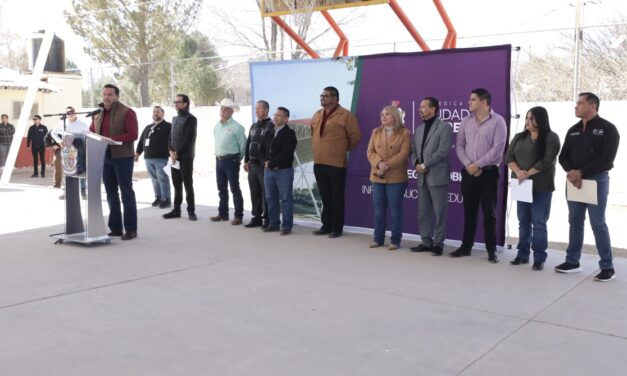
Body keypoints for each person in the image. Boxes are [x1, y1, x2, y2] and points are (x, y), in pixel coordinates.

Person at [556, 92, 620, 282]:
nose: (576, 106)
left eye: (580, 103)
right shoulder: (573, 129)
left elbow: (607, 159)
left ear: (592, 106)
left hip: (596, 181)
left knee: (597, 223)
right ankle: (572, 261)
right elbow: (562, 157)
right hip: (574, 181)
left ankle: (607, 266)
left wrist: (581, 172)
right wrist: (572, 172)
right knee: (575, 221)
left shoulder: (608, 129)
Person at [453, 88, 507, 263]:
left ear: (484, 102)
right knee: (469, 211)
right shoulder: (465, 121)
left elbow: (498, 149)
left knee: (489, 213)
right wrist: (469, 165)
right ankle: (466, 247)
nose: (469, 102)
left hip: (489, 174)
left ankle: (491, 250)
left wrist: (478, 164)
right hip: (468, 173)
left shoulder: (498, 121)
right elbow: (459, 145)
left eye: (473, 100)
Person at [505, 107, 561, 271]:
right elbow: (508, 157)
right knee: (523, 222)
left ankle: (539, 258)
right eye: (527, 118)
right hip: (521, 185)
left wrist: (527, 173)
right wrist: (518, 172)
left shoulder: (551, 137)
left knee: (539, 223)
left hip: (541, 187)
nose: (527, 121)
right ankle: (522, 255)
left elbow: (547, 160)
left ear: (541, 119)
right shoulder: (519, 137)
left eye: (532, 118)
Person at [310, 86, 361, 238]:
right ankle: (325, 225)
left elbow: (355, 137)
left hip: (337, 163)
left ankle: (336, 228)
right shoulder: (317, 114)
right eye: (322, 95)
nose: (322, 98)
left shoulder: (346, 115)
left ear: (335, 98)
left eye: (325, 96)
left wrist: (341, 149)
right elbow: (313, 133)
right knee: (325, 196)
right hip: (319, 162)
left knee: (336, 197)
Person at [89, 84, 139, 240]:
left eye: (110, 94)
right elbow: (91, 131)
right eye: (104, 94)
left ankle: (131, 229)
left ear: (117, 96)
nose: (106, 97)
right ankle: (116, 228)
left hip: (122, 157)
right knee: (111, 194)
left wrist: (112, 140)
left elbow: (133, 134)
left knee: (126, 193)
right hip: (104, 156)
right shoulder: (97, 113)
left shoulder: (127, 112)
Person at [409, 97, 452, 256]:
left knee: (440, 212)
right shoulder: (419, 129)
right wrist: (415, 164)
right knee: (423, 212)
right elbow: (413, 150)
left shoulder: (444, 127)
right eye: (419, 106)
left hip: (437, 176)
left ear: (433, 109)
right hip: (422, 177)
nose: (419, 109)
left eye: (423, 107)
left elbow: (442, 152)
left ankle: (438, 243)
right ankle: (426, 242)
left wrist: (425, 165)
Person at [366, 105, 411, 250]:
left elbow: (404, 154)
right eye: (381, 115)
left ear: (395, 117)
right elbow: (370, 152)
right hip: (377, 175)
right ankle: (378, 238)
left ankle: (395, 240)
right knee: (379, 209)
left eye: (387, 114)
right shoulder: (376, 132)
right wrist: (379, 163)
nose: (383, 117)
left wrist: (387, 165)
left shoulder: (405, 133)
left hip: (396, 177)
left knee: (395, 209)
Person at [260, 107, 298, 235]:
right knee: (270, 198)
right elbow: (261, 150)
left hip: (283, 171)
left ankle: (286, 226)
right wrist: (266, 162)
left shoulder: (290, 134)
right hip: (268, 171)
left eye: (279, 116)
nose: (275, 117)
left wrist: (271, 163)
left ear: (286, 119)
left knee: (286, 198)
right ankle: (274, 224)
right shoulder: (269, 132)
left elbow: (286, 154)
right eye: (275, 115)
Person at [210, 98, 247, 225]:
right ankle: (223, 213)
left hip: (231, 160)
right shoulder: (217, 126)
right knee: (221, 189)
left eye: (226, 109)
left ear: (232, 111)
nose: (223, 111)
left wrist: (238, 160)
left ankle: (238, 215)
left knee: (234, 188)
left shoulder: (237, 127)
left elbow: (243, 146)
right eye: (221, 109)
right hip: (219, 160)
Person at [163, 94, 198, 221]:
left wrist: (177, 153)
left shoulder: (191, 119)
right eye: (175, 102)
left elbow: (189, 138)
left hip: (186, 157)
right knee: (176, 185)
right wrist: (170, 151)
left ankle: (191, 211)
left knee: (188, 184)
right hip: (174, 157)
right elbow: (170, 137)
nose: (176, 104)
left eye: (178, 102)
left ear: (185, 104)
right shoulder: (174, 118)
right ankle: (176, 210)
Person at [243, 100, 274, 228]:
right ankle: (256, 217)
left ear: (266, 110)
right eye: (255, 109)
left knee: (266, 193)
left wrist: (267, 162)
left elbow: (271, 147)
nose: (256, 111)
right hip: (252, 165)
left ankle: (267, 218)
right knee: (254, 192)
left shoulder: (271, 125)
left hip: (263, 166)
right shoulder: (253, 126)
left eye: (259, 109)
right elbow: (248, 144)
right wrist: (246, 160)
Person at [135, 106, 172, 209]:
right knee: (154, 179)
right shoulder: (148, 127)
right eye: (154, 112)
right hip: (148, 158)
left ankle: (166, 199)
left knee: (163, 178)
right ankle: (158, 197)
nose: (156, 113)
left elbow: (172, 140)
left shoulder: (168, 126)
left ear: (163, 114)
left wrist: (172, 152)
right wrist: (138, 153)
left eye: (158, 112)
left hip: (162, 158)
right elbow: (142, 140)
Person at [52, 107, 89, 195]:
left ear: (75, 113)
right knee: (68, 169)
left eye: (72, 112)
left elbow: (87, 135)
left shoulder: (82, 124)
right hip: (68, 149)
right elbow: (53, 132)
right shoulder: (63, 123)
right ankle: (66, 192)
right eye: (68, 113)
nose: (70, 114)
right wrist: (60, 141)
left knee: (81, 170)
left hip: (80, 149)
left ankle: (83, 190)